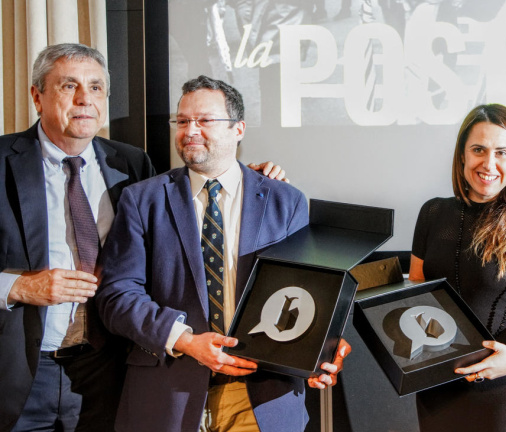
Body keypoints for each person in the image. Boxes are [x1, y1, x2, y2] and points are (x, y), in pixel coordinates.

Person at [0, 43, 289, 432]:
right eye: (69, 86)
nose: (85, 99)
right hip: (19, 373)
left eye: (96, 87)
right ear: (37, 96)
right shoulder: (2, 162)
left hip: (109, 371)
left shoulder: (130, 164)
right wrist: (18, 287)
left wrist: (241, 177)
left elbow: (177, 215)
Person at [94, 75, 349, 432]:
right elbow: (116, 296)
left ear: (238, 129)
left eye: (204, 120)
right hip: (169, 395)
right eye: (183, 121)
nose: (190, 131)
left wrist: (324, 347)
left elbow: (306, 295)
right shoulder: (142, 200)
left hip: (261, 397)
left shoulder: (284, 201)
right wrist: (184, 340)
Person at [408, 104, 506, 431]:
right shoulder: (432, 213)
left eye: (501, 152)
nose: (488, 163)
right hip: (437, 386)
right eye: (478, 150)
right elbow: (417, 287)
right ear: (462, 154)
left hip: (505, 389)